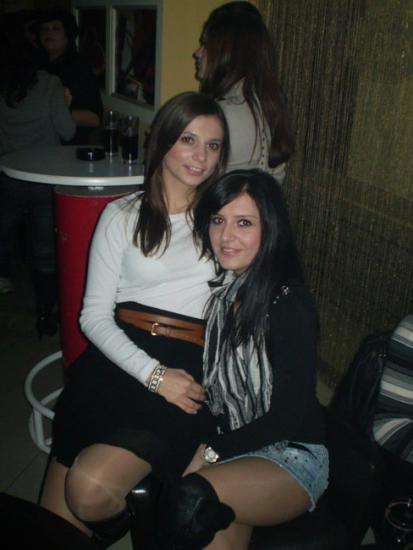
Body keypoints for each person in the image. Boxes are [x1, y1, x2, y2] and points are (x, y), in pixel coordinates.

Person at [39, 91, 230, 546]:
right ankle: (126, 513)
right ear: (163, 140)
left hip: (186, 364)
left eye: (213, 145)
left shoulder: (223, 219)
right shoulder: (121, 214)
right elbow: (93, 316)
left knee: (88, 491)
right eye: (188, 139)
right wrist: (152, 374)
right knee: (51, 532)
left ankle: (134, 510)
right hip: (121, 358)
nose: (200, 156)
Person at [157, 169, 329, 550]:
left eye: (244, 223)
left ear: (270, 229)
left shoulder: (289, 304)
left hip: (291, 456)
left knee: (191, 499)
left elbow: (288, 416)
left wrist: (211, 451)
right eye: (218, 220)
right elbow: (217, 395)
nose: (226, 236)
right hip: (239, 446)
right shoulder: (224, 294)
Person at [0, 29, 75, 334]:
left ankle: (3, 277)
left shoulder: (4, 88)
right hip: (45, 178)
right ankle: (46, 316)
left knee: (4, 231)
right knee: (45, 251)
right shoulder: (50, 84)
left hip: (9, 176)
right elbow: (68, 130)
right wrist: (65, 103)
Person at [193, 2, 294, 182]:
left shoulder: (224, 113)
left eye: (205, 45)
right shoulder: (269, 101)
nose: (197, 53)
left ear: (227, 53)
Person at [38, 8, 103, 145]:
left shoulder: (79, 67)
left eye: (56, 28)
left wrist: (56, 112)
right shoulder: (34, 66)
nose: (49, 33)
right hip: (40, 141)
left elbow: (95, 119)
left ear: (67, 34)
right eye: (44, 29)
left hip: (69, 145)